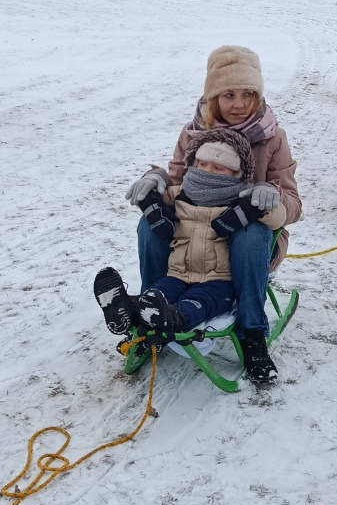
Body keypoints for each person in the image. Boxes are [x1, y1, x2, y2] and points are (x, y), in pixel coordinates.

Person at [121, 46, 301, 387]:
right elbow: (177, 184)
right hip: (192, 237)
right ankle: (151, 312)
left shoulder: (272, 137)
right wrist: (156, 179)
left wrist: (272, 201)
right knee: (150, 221)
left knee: (250, 233)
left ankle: (252, 332)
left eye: (248, 94)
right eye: (228, 94)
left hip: (247, 241)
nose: (239, 104)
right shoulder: (192, 133)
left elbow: (293, 202)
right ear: (211, 97)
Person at [95, 129, 287, 352]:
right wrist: (150, 183)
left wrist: (264, 196)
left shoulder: (241, 196)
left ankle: (176, 319)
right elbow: (154, 196)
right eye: (203, 164)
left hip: (218, 281)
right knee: (158, 295)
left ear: (236, 173)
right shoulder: (180, 193)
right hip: (178, 273)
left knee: (199, 302)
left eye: (218, 167)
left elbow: (278, 219)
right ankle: (129, 311)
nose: (208, 171)